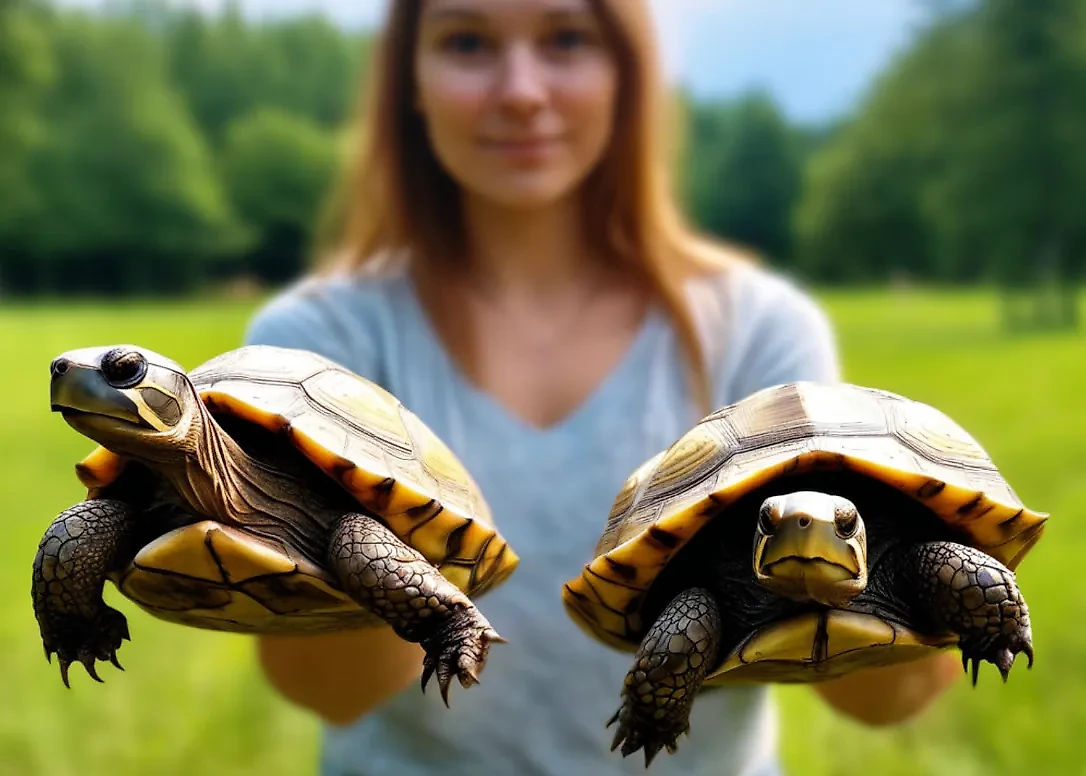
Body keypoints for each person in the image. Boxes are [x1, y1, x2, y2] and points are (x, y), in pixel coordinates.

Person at [243, 1, 962, 773]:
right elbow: (326, 688)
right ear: (407, 81)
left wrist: (931, 565)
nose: (520, 89)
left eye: (566, 37)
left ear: (630, 71)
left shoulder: (758, 329)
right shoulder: (318, 348)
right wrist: (369, 558)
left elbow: (882, 700)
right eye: (466, 41)